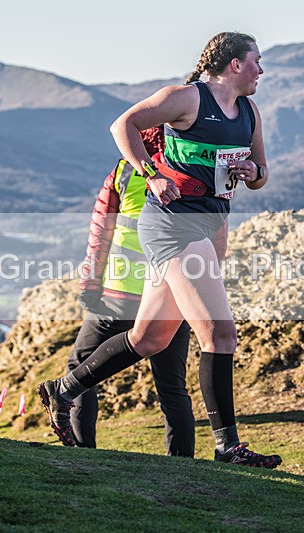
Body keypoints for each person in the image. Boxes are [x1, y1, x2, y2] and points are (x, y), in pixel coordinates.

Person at [39, 31, 282, 468]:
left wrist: (252, 170)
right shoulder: (186, 98)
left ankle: (64, 390)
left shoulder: (249, 112)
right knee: (221, 334)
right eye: (256, 61)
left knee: (149, 338)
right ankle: (228, 447)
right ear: (234, 64)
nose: (261, 70)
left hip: (208, 223)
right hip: (173, 224)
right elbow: (123, 125)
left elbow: (262, 174)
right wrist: (151, 173)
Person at [69, 125, 226, 455]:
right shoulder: (191, 176)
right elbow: (212, 234)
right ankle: (181, 463)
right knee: (172, 387)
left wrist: (90, 284)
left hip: (119, 295)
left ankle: (81, 451)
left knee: (80, 369)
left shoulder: (123, 172)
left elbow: (100, 233)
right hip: (173, 295)